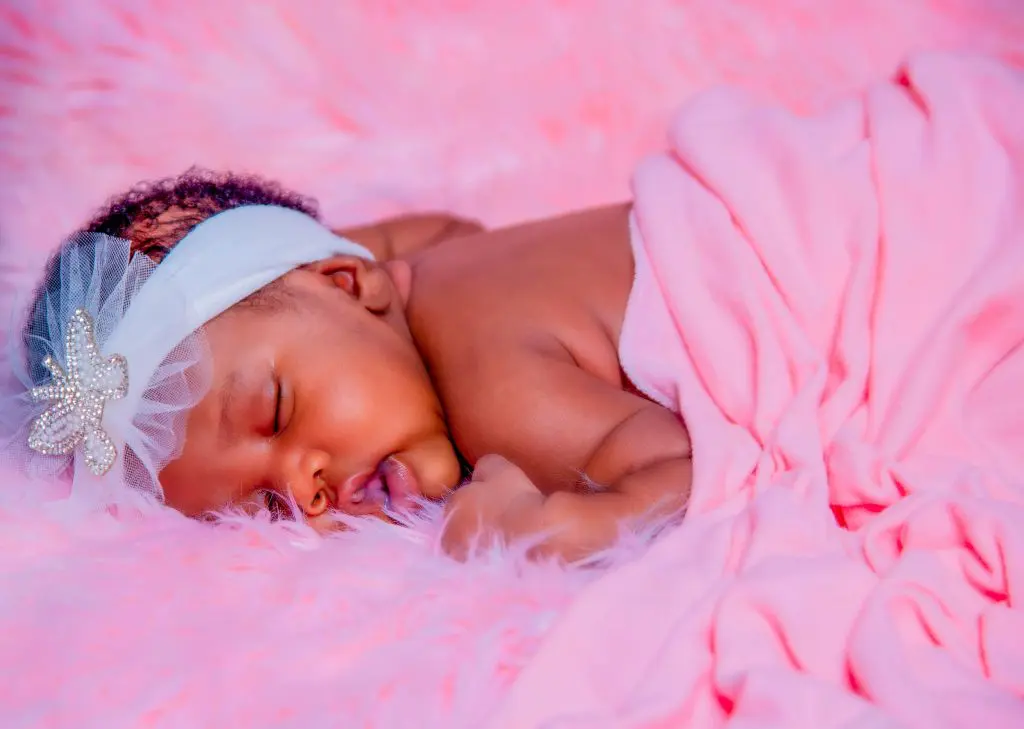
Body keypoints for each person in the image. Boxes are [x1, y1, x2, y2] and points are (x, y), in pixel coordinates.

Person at [4, 168, 691, 562]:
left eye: (277, 414)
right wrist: (305, 274)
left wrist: (554, 530)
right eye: (266, 506)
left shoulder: (493, 389)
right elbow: (449, 230)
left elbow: (681, 469)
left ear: (348, 282)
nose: (304, 488)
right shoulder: (420, 271)